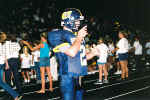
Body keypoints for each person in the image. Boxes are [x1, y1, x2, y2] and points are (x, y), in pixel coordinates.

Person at [48, 8, 95, 100]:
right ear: (70, 20)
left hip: (78, 77)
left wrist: (93, 53)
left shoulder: (75, 35)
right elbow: (71, 53)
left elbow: (80, 57)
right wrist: (79, 37)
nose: (78, 23)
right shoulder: (57, 35)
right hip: (67, 77)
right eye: (77, 20)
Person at [0, 32, 21, 100]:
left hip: (8, 61)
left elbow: (4, 54)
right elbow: (18, 50)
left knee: (8, 78)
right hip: (14, 60)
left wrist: (7, 63)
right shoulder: (15, 43)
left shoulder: (4, 44)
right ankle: (19, 91)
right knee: (16, 76)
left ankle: (9, 94)